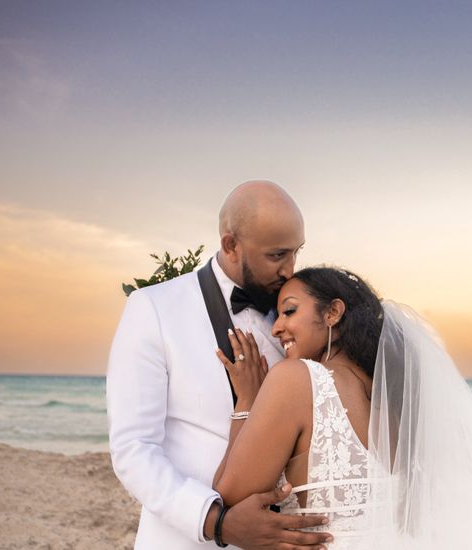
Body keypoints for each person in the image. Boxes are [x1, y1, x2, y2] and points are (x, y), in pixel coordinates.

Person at [213, 266, 472, 549]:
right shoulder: (399, 400)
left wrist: (246, 401)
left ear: (332, 314)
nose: (276, 328)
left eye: (288, 311)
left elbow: (228, 498)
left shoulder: (294, 379)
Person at [106, 181, 334, 549]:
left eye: (296, 253)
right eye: (277, 255)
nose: (290, 270)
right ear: (230, 245)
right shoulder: (153, 309)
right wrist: (217, 522)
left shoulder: (301, 313)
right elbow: (134, 449)